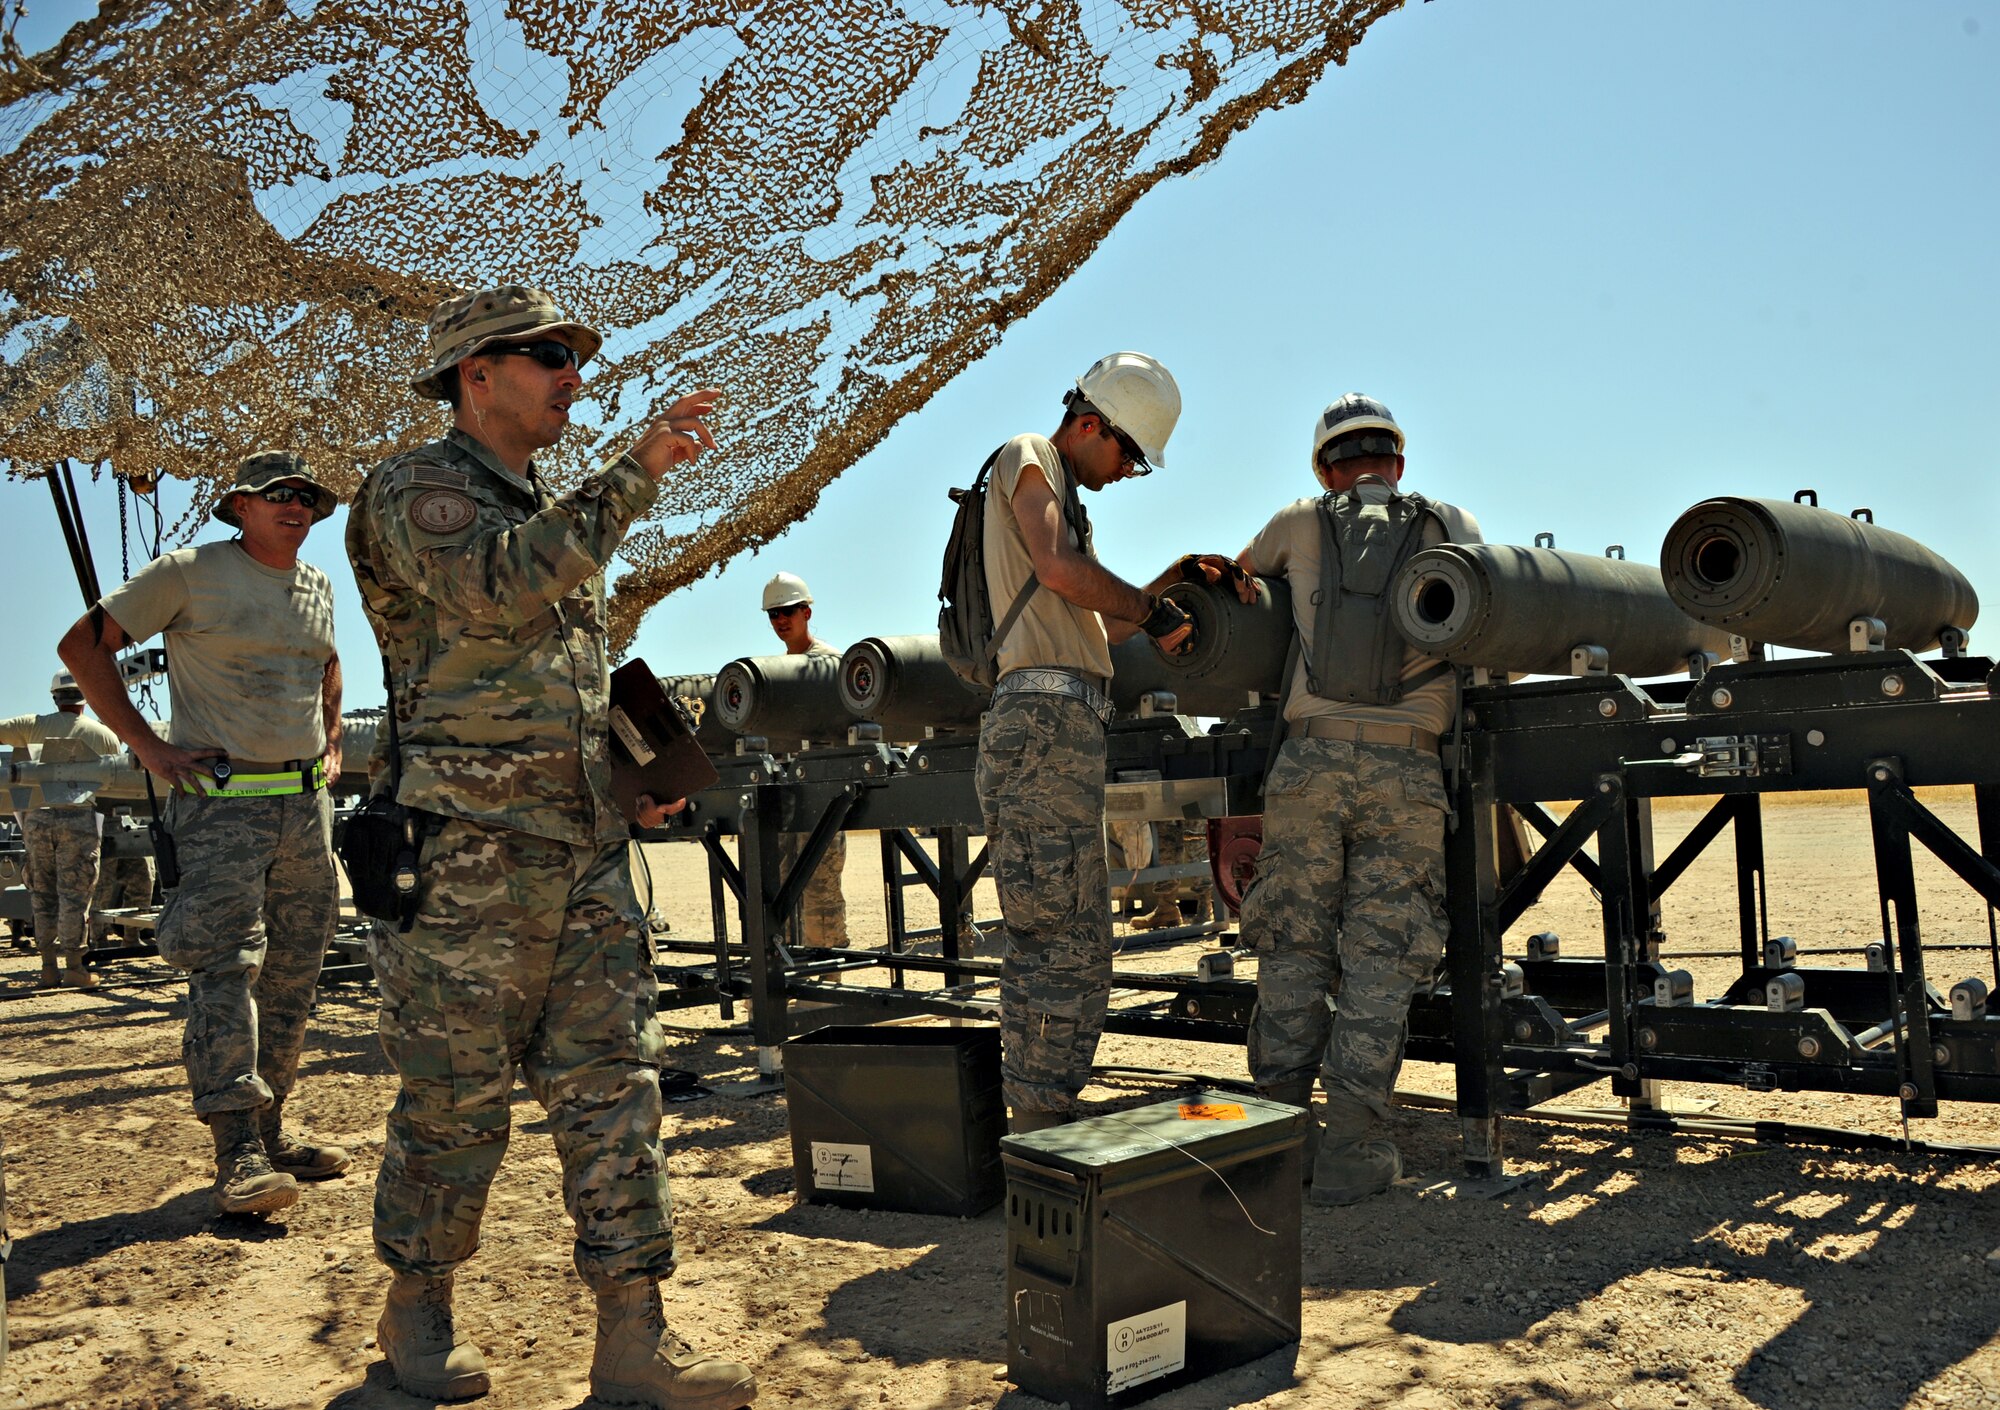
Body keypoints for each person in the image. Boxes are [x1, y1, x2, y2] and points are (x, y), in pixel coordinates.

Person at [346, 284, 756, 1409]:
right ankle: (415, 1309)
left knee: (614, 1094)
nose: (572, 371)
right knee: (453, 1100)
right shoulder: (415, 489)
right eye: (547, 355)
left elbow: (549, 684)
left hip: (580, 853)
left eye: (574, 353)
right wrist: (634, 473)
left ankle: (634, 1336)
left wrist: (626, 788)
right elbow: (492, 588)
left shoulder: (541, 510)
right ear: (476, 376)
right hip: (466, 864)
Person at [57, 452, 348, 1217]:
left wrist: (335, 736)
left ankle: (274, 1129)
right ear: (240, 507)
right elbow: (81, 646)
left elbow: (326, 661)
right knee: (225, 969)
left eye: (307, 497)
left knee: (294, 972)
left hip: (303, 804)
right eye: (278, 495)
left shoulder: (316, 585)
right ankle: (238, 1152)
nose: (297, 506)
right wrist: (146, 747)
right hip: (223, 806)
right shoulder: (186, 572)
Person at [1235, 394, 1482, 1206]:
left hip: (1308, 767)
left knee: (1293, 947)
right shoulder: (1451, 525)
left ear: (1325, 466)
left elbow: (1237, 590)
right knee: (1383, 957)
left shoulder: (1299, 520)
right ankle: (1351, 1149)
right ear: (1399, 463)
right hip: (1407, 770)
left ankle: (1272, 1140)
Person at [977, 350, 1228, 1135]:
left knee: (1080, 937)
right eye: (1127, 454)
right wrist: (1152, 614)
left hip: (1064, 731)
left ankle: (1046, 1114)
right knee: (1053, 934)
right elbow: (1060, 570)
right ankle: (1036, 1126)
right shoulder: (1030, 455)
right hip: (1041, 727)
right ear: (1089, 424)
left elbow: (1100, 621)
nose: (1126, 472)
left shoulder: (1066, 503)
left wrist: (1173, 585)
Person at [0, 673, 120, 989]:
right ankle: (75, 967)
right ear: (85, 697)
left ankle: (48, 967)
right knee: (75, 894)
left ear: (56, 698)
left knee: (42, 891)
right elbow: (115, 776)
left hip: (38, 819)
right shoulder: (104, 734)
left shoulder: (30, 725)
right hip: (79, 820)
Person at [761, 571, 849, 950]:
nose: (781, 621)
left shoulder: (832, 664)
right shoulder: (777, 673)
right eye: (773, 615)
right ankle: (792, 970)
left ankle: (828, 977)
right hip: (787, 792)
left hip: (823, 792)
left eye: (787, 612)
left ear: (806, 612)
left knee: (821, 884)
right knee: (781, 885)